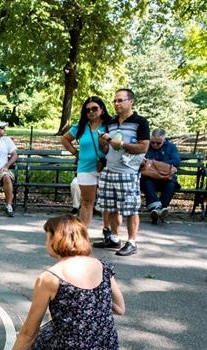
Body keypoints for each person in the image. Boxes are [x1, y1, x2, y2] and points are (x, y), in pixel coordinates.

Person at [0, 215, 125, 350]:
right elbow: (120, 308)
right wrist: (92, 301)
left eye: (47, 237)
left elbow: (28, 332)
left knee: (45, 331)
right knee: (83, 328)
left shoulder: (50, 278)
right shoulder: (102, 266)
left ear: (55, 239)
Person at [94, 88, 150, 256]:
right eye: (115, 101)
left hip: (128, 172)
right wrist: (103, 142)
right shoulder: (111, 123)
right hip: (109, 170)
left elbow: (143, 147)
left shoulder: (140, 122)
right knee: (111, 207)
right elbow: (106, 148)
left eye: (120, 100)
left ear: (130, 101)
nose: (116, 103)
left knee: (131, 208)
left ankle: (132, 242)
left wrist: (121, 144)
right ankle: (114, 238)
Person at [60, 96, 112, 227]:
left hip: (107, 167)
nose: (91, 112)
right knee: (87, 202)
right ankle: (83, 233)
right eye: (87, 110)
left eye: (95, 108)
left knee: (108, 202)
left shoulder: (110, 125)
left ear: (102, 109)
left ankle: (107, 231)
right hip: (85, 168)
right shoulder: (81, 126)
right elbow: (65, 139)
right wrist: (76, 153)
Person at [141, 128, 181, 224]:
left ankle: (159, 209)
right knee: (147, 182)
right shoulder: (146, 146)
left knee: (171, 184)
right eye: (153, 142)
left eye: (158, 143)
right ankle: (157, 209)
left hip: (165, 178)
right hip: (149, 178)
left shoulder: (171, 147)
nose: (155, 145)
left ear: (164, 140)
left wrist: (153, 164)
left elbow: (176, 161)